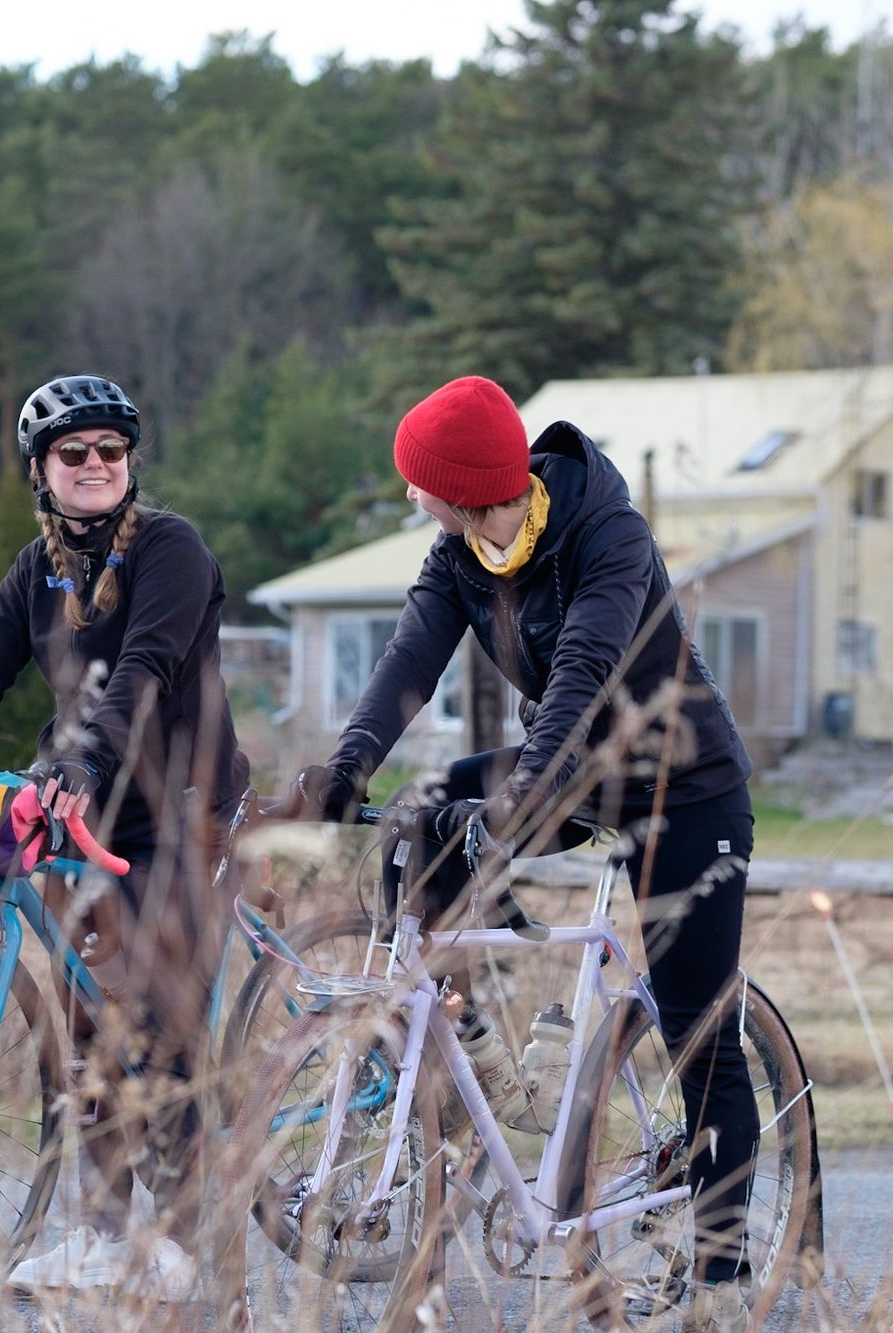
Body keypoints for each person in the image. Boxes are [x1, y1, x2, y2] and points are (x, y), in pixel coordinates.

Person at [290, 375, 759, 1333]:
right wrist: (346, 767)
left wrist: (516, 806)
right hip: (573, 765)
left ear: (461, 484)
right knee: (424, 818)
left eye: (418, 484)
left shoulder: (607, 535)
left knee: (696, 1029)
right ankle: (479, 1048)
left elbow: (584, 676)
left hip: (683, 785)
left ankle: (723, 1269)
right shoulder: (462, 549)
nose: (410, 498)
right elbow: (408, 663)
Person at [0, 374, 248, 1299]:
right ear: (42, 471)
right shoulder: (39, 570)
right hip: (84, 807)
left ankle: (183, 1241)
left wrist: (83, 763)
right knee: (79, 1017)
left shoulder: (171, 549)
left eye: (111, 451)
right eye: (76, 453)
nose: (97, 465)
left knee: (151, 1009)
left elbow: (144, 667)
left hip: (182, 805)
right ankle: (105, 1235)